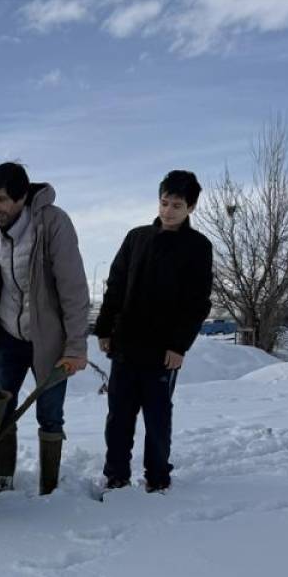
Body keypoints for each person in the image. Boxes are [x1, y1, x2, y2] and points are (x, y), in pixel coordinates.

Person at [93, 169, 213, 493]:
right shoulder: (137, 238)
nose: (168, 211)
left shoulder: (198, 247)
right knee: (119, 416)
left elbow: (197, 303)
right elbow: (115, 286)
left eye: (176, 205)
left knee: (158, 419)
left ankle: (158, 478)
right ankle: (116, 474)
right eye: (164, 202)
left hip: (163, 352)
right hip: (126, 345)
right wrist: (104, 328)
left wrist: (179, 346)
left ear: (190, 208)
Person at [0, 162, 89, 495]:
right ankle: (2, 481)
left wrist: (76, 347)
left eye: (0, 200)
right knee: (1, 410)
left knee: (50, 413)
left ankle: (49, 487)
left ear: (21, 196)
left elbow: (73, 289)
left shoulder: (53, 223)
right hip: (7, 336)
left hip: (49, 339)